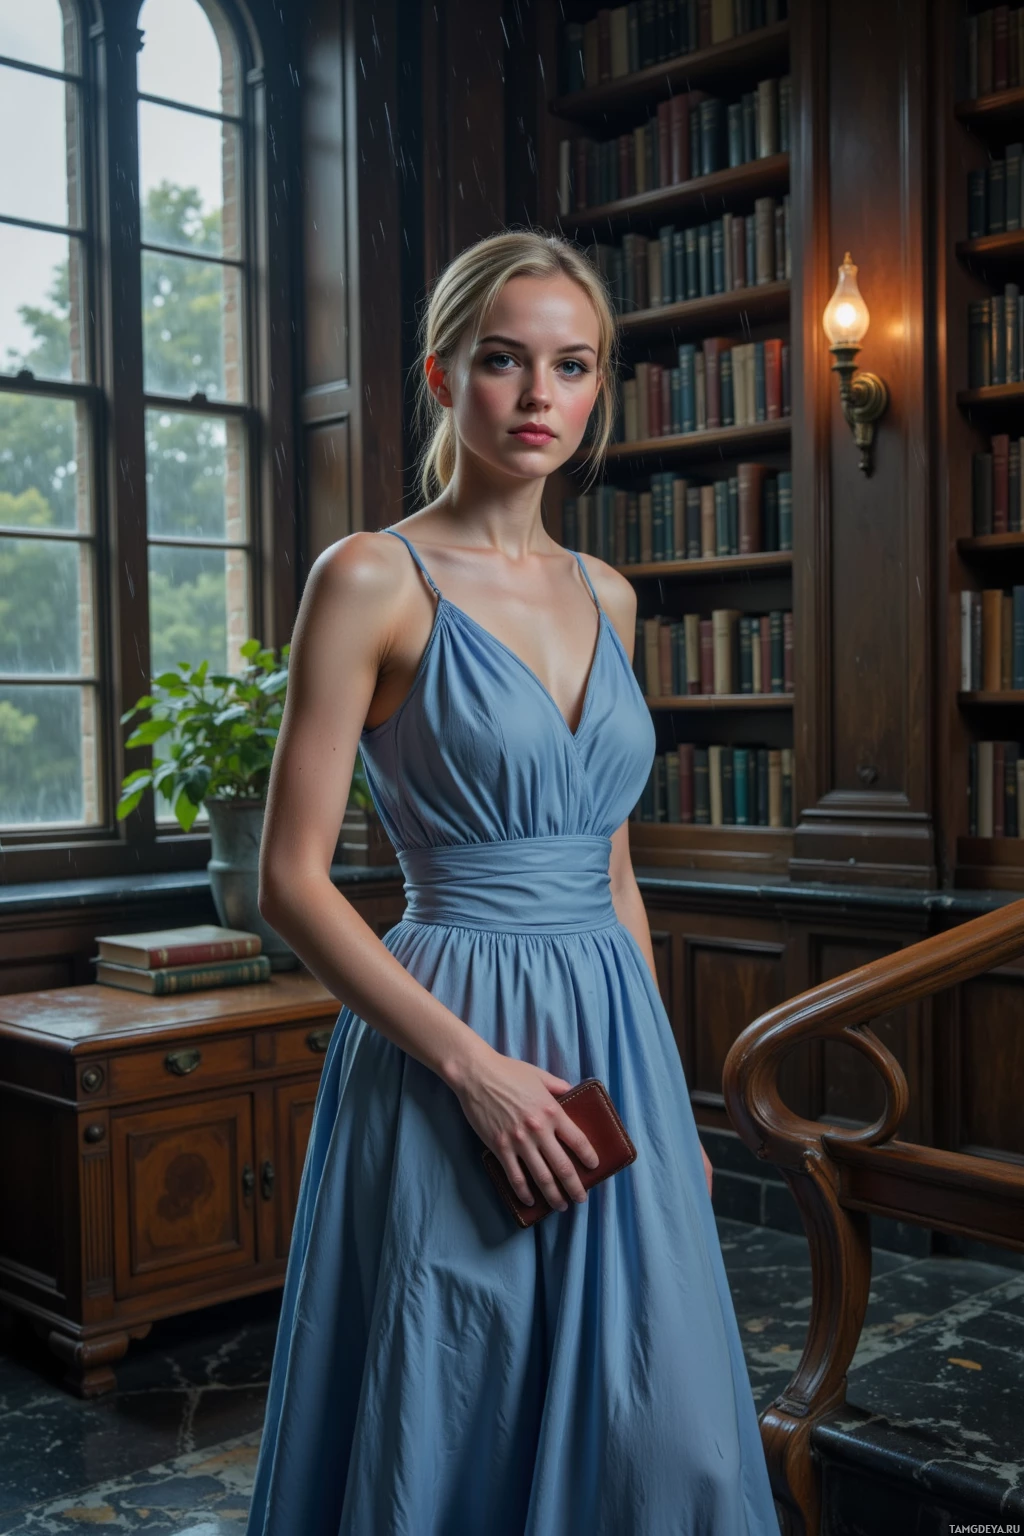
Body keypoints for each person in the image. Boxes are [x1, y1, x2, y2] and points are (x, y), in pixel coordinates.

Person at [245, 229, 779, 1535]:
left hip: (610, 1044)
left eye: (573, 366)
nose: (540, 396)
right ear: (442, 378)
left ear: (599, 391)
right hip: (446, 1042)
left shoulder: (611, 591)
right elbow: (290, 883)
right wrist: (475, 1073)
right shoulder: (372, 576)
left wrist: (667, 1095)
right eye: (504, 361)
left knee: (663, 1426)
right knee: (452, 1407)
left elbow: (616, 872)